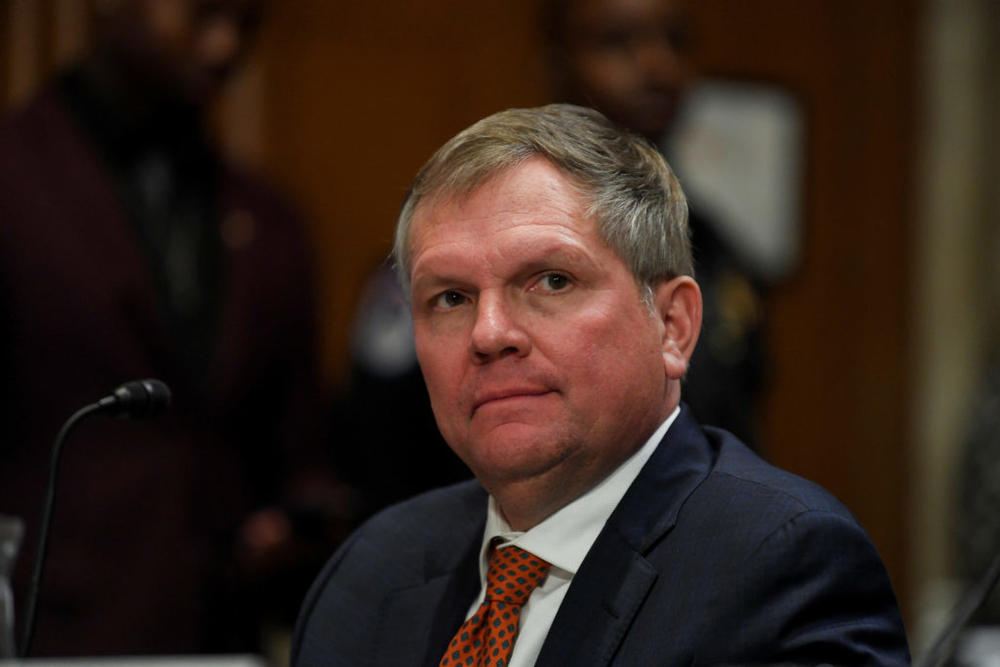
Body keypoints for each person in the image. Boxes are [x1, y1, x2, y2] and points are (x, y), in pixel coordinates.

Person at [291, 104, 909, 666]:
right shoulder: (370, 571)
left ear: (673, 326)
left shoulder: (783, 566)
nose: (488, 333)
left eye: (551, 281)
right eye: (450, 298)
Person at [0, 0, 342, 655]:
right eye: (202, 15)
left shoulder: (267, 217)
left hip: (220, 631)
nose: (223, 49)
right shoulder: (14, 180)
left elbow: (299, 445)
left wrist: (294, 517)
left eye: (246, 23)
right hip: (49, 629)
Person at [544, 0, 766, 447]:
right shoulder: (497, 238)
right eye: (617, 42)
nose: (657, 65)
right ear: (557, 63)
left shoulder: (714, 247)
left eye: (675, 42)